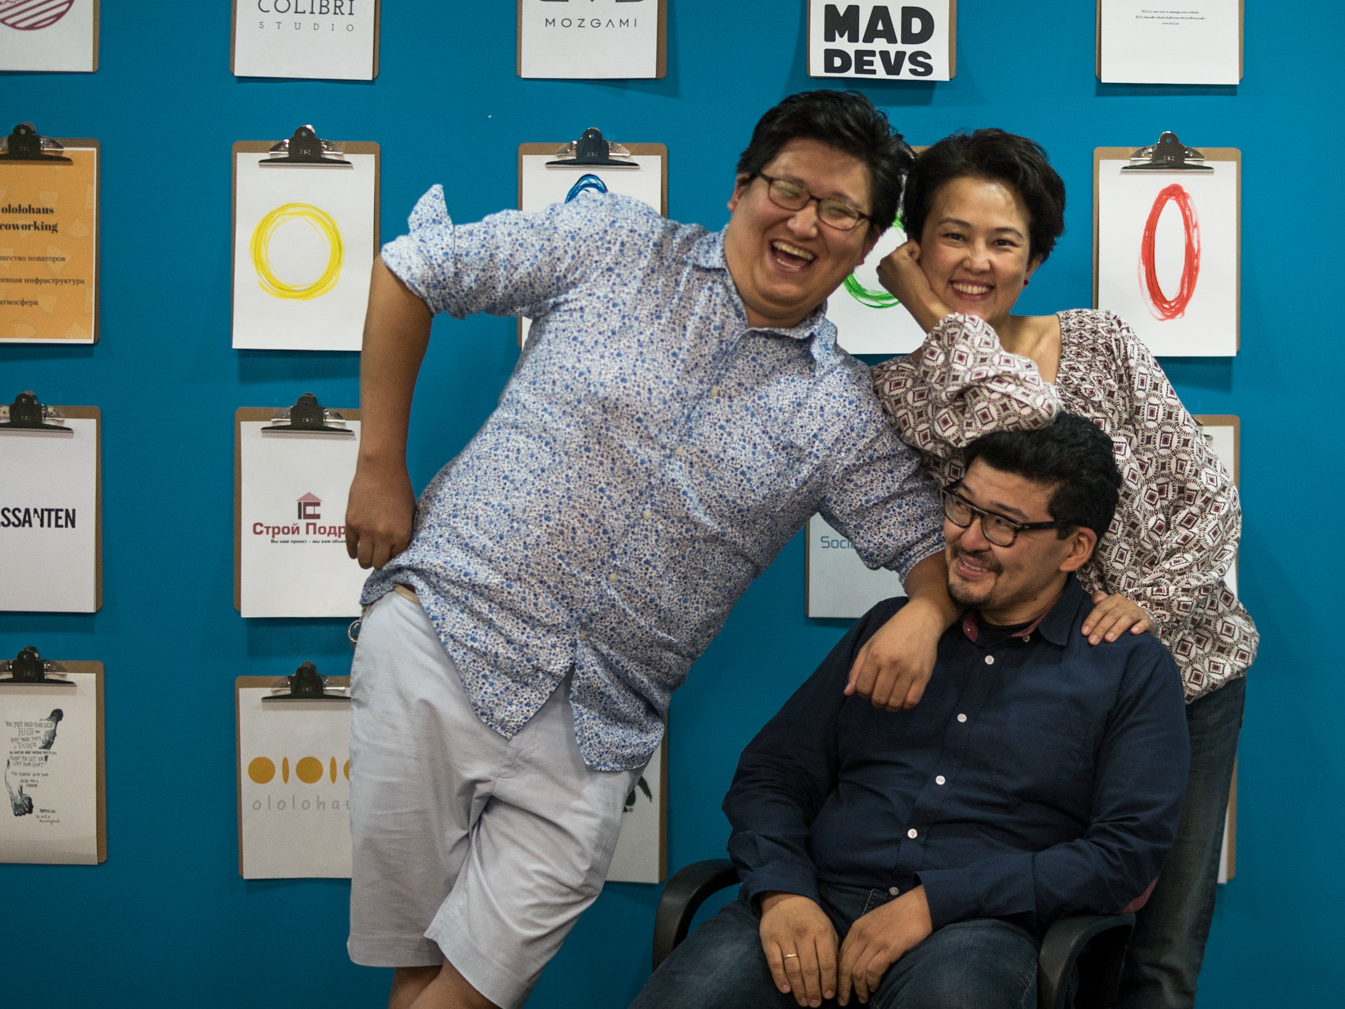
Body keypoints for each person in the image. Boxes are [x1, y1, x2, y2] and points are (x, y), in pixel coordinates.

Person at [342, 91, 965, 1009]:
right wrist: (377, 466)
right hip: (443, 638)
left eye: (841, 211)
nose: (805, 224)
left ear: (869, 241)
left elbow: (925, 546)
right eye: (788, 190)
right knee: (418, 970)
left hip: (596, 728)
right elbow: (414, 268)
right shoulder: (614, 243)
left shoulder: (840, 408)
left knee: (471, 987)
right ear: (741, 187)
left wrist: (928, 611)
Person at [872, 129, 1256, 1008]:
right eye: (952, 235)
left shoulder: (1098, 341)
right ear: (914, 245)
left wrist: (1148, 601)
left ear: (1035, 258)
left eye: (1003, 241)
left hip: (1190, 674)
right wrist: (942, 328)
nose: (976, 260)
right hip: (1051, 694)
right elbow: (1026, 429)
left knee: (1160, 957)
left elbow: (1206, 495)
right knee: (1054, 945)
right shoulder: (903, 392)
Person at [632, 414, 1190, 1009]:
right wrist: (782, 891)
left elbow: (1124, 855)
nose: (969, 539)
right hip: (816, 900)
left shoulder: (1127, 667)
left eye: (1004, 525)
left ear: (1074, 548)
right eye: (963, 507)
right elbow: (774, 773)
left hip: (977, 930)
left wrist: (935, 902)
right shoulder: (890, 629)